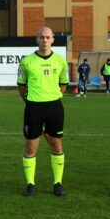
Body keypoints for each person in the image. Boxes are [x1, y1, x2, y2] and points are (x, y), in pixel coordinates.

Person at [17, 27, 69, 197]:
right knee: (31, 147)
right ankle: (30, 184)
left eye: (48, 37)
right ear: (37, 39)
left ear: (53, 39)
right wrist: (32, 101)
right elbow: (22, 86)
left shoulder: (60, 61)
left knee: (56, 145)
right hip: (33, 108)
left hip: (54, 107)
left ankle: (58, 183)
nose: (45, 40)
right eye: (41, 37)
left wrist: (51, 97)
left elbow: (63, 85)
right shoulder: (27, 62)